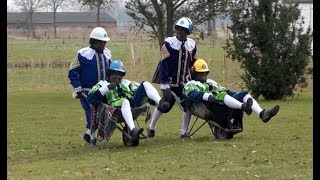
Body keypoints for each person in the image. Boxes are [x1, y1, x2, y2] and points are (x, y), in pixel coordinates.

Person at [87, 60, 171, 144]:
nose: (118, 77)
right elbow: (90, 98)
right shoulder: (102, 84)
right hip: (114, 107)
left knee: (145, 84)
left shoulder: (127, 83)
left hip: (132, 104)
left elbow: (140, 90)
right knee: (125, 101)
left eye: (120, 75)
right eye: (115, 74)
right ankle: (133, 129)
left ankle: (161, 102)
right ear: (110, 73)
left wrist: (150, 100)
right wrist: (107, 88)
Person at [183, 59, 280, 127]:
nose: (204, 75)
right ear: (194, 72)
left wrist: (235, 94)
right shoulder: (190, 84)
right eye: (201, 73)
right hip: (213, 106)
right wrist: (207, 96)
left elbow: (224, 90)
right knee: (223, 95)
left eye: (205, 72)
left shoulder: (211, 81)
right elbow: (192, 95)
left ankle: (262, 114)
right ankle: (243, 107)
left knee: (243, 94)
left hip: (225, 103)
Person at [149, 17, 197, 138]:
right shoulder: (168, 44)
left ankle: (184, 132)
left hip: (184, 83)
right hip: (170, 83)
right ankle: (151, 127)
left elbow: (192, 63)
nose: (180, 32)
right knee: (164, 106)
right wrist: (164, 84)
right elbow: (163, 64)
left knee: (188, 105)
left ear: (188, 32)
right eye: (178, 29)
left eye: (183, 30)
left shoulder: (192, 45)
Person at [68, 27, 112, 143]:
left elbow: (111, 71)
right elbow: (73, 72)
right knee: (91, 112)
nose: (104, 45)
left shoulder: (107, 54)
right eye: (102, 42)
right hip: (87, 92)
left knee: (103, 112)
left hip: (104, 91)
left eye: (105, 42)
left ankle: (88, 134)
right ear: (95, 42)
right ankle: (93, 138)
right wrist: (77, 87)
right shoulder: (83, 55)